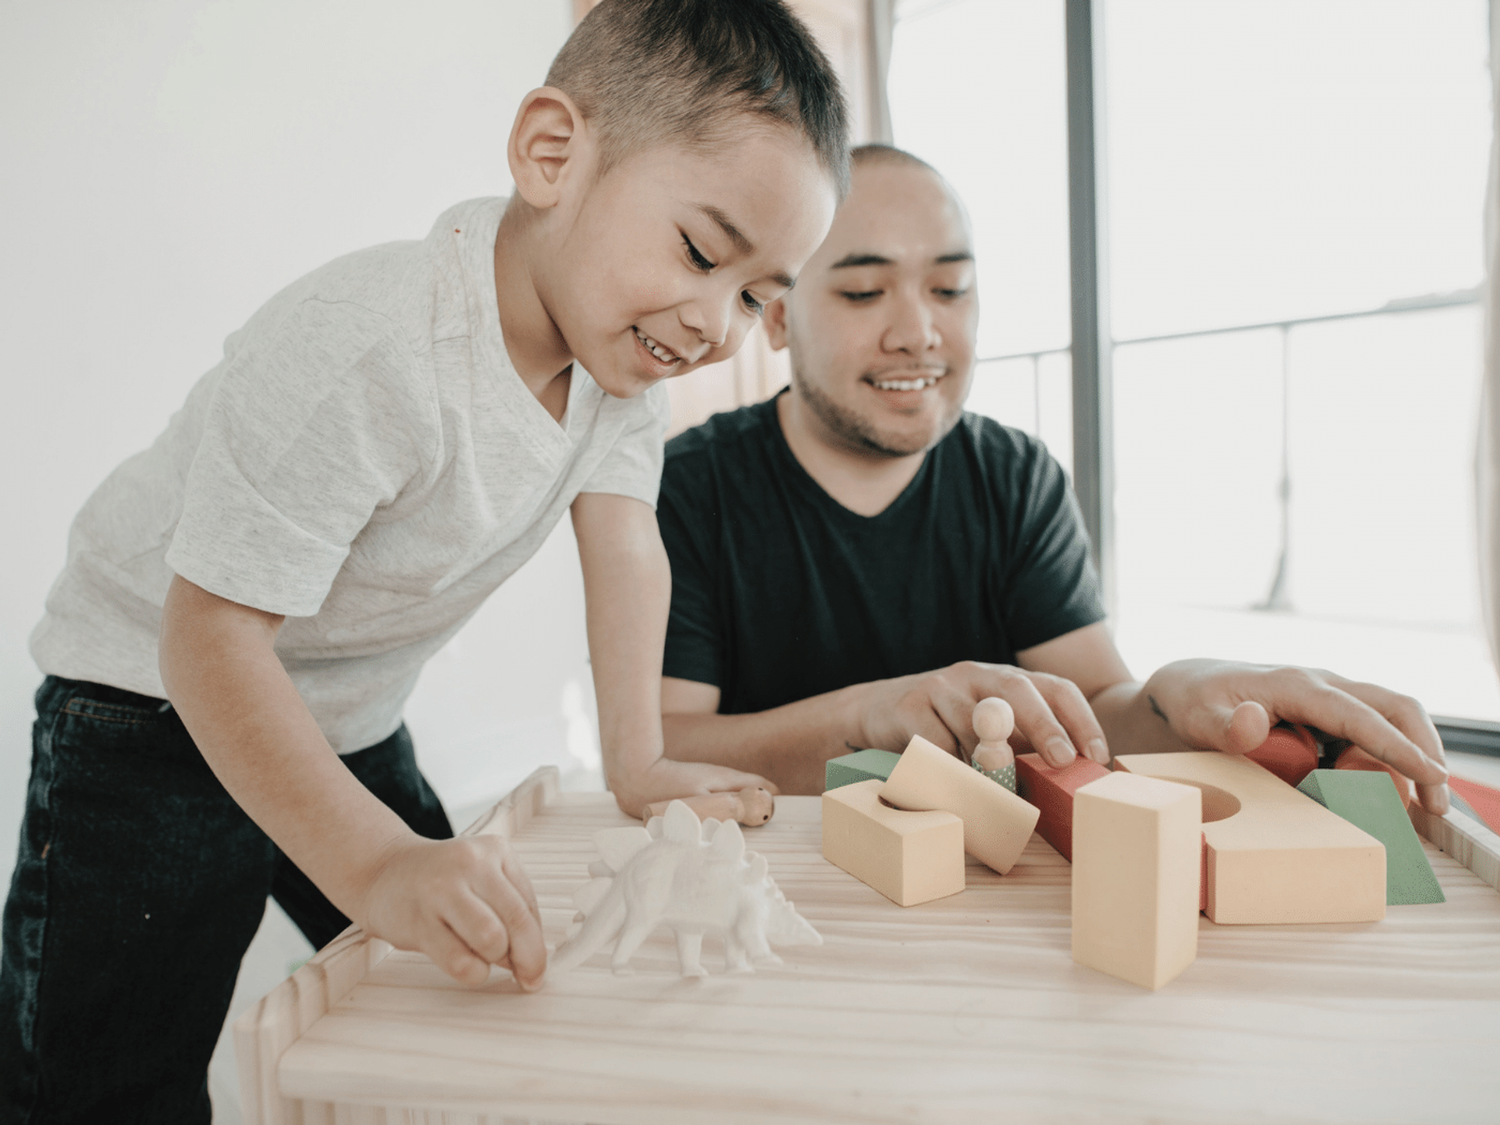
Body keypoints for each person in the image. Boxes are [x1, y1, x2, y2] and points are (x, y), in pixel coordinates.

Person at [0, 1, 847, 1118]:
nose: (718, 326)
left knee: (472, 950)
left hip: (345, 709)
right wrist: (373, 864)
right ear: (552, 154)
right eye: (701, 253)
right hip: (146, 705)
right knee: (108, 1077)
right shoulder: (370, 346)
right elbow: (206, 635)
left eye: (757, 298)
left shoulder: (622, 369)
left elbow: (629, 550)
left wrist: (637, 760)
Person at [656, 143, 1450, 815]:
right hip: (781, 881)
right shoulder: (693, 486)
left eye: (950, 289)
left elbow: (1100, 709)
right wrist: (873, 714)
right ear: (779, 317)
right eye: (864, 291)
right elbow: (666, 744)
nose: (919, 332)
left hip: (989, 895)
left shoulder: (1015, 476)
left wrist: (1185, 689)